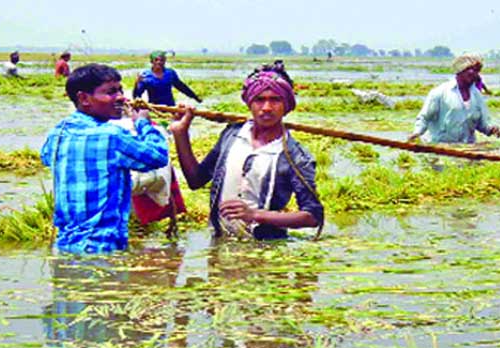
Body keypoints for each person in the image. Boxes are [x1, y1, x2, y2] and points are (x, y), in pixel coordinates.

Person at [169, 61, 323, 240]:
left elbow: (313, 216)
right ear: (250, 103)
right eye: (259, 99)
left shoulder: (294, 156)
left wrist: (255, 215)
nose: (266, 107)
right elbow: (196, 180)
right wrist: (180, 133)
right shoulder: (232, 135)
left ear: (286, 105)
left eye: (275, 100)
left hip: (265, 252)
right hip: (219, 243)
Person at [40, 64, 169, 254]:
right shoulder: (111, 136)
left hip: (65, 245)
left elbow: (46, 157)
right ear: (84, 98)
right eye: (110, 92)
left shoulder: (59, 132)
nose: (121, 98)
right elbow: (157, 156)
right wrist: (143, 122)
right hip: (102, 247)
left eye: (120, 90)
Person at [409, 54, 500, 143]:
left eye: (477, 71)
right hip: (440, 146)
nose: (475, 74)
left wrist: (491, 129)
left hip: (467, 146)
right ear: (461, 70)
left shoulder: (477, 96)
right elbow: (424, 117)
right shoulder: (440, 92)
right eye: (471, 69)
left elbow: (483, 124)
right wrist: (417, 133)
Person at [132, 50, 202, 106]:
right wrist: (136, 83)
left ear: (165, 61)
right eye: (156, 60)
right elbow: (136, 96)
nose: (159, 62)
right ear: (151, 61)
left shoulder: (170, 73)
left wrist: (195, 97)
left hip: (170, 107)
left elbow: (182, 87)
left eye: (161, 60)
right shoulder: (145, 76)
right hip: (154, 108)